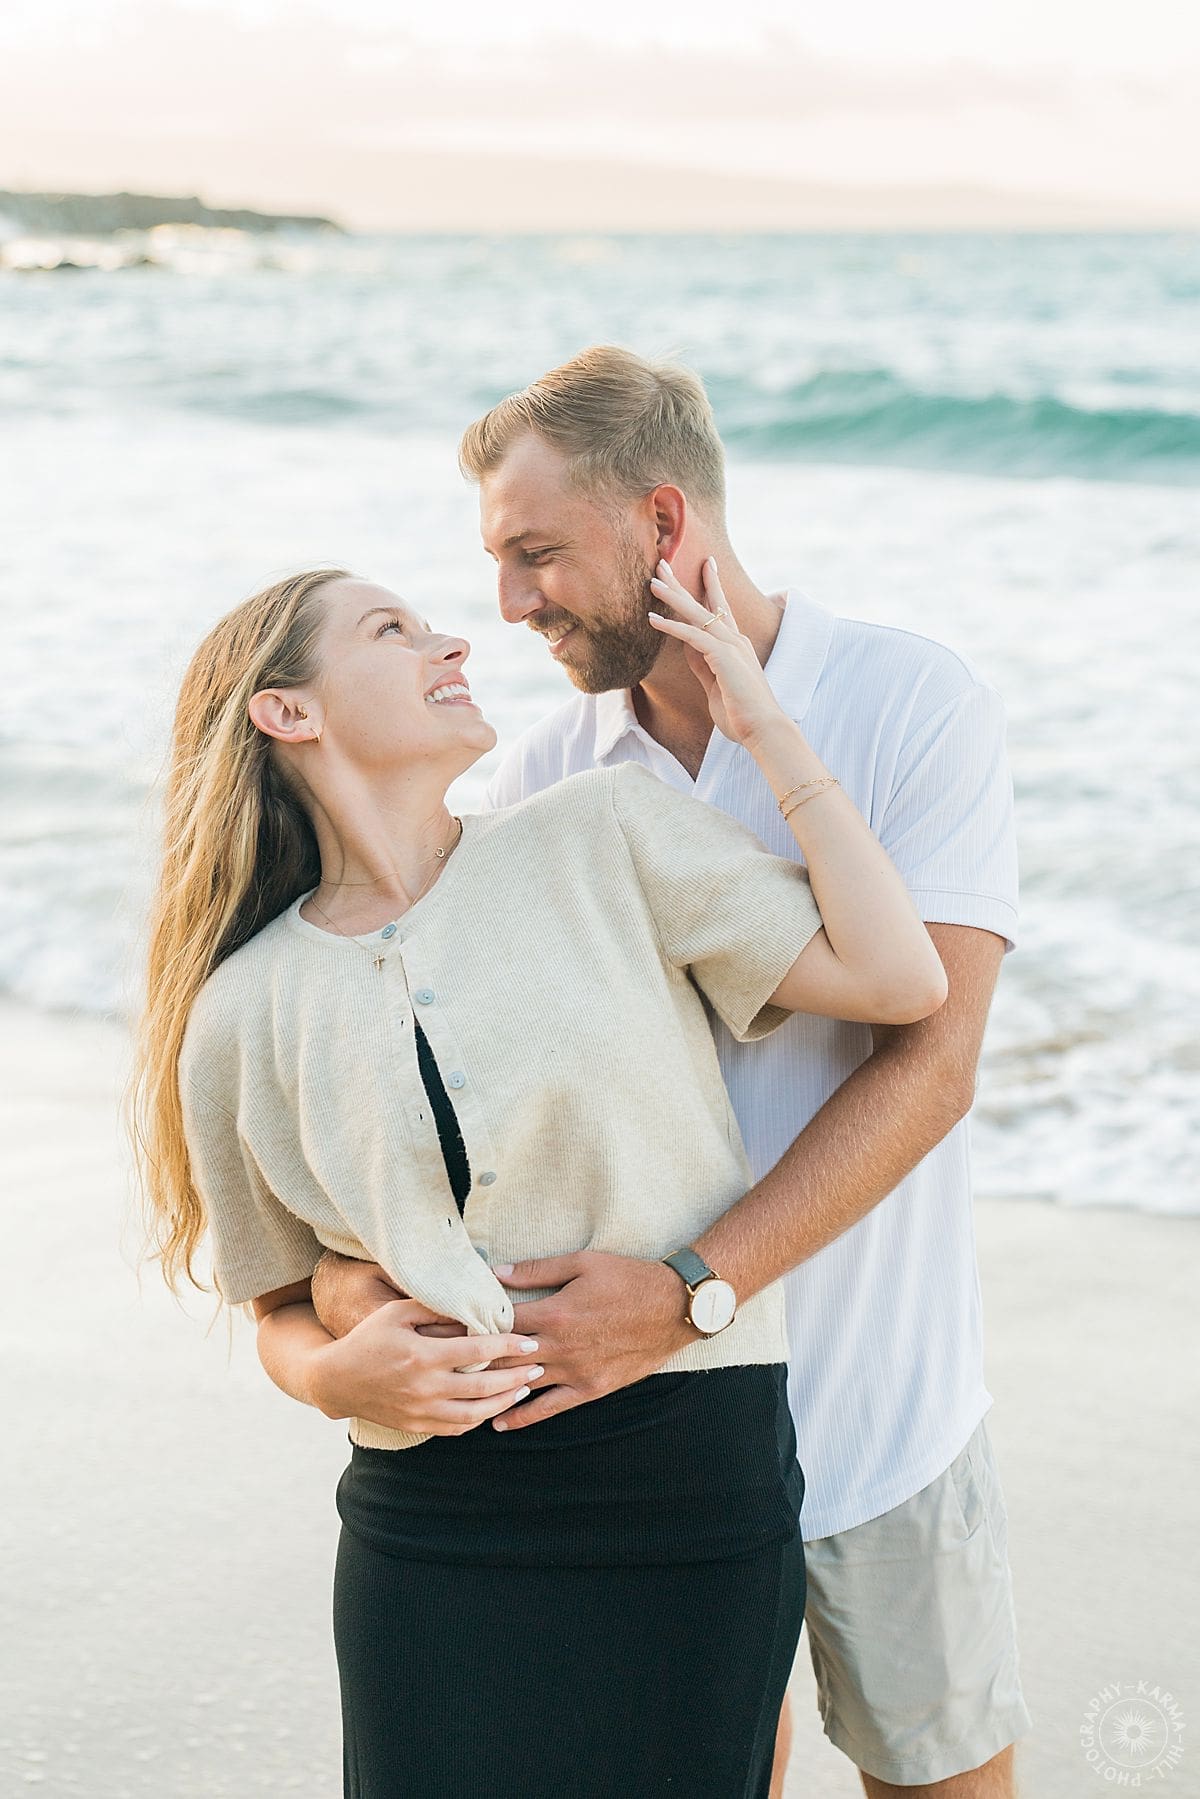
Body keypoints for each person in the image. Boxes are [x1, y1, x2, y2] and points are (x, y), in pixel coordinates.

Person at [311, 347, 1031, 1799]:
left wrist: (695, 1284)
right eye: (496, 565)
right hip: (659, 1441)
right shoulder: (548, 778)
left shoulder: (907, 703)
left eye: (535, 555)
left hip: (879, 1410)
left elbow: (933, 1056)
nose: (509, 606)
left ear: (662, 523)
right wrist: (340, 1315)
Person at [131, 563, 946, 1799]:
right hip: (433, 1517)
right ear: (287, 711)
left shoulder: (604, 830)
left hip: (687, 1477)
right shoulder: (239, 1012)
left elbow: (901, 982)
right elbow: (279, 1310)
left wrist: (767, 729)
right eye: (392, 630)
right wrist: (334, 1372)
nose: (452, 638)